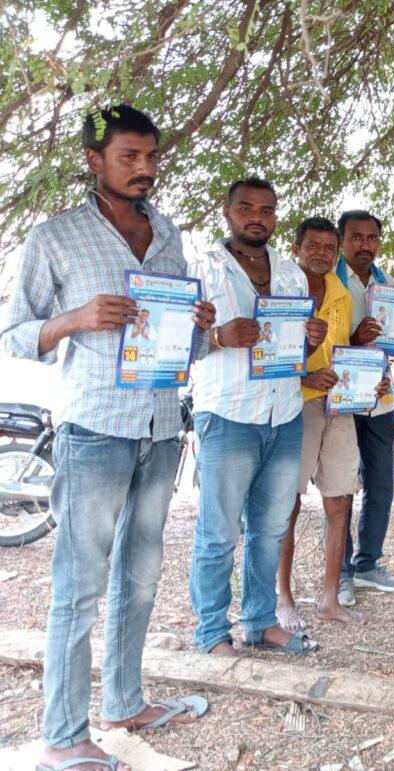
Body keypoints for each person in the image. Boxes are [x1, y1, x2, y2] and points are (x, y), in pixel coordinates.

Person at [0, 105, 216, 771]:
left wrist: (198, 324)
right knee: (79, 586)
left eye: (151, 156)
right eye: (129, 156)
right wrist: (76, 318)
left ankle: (124, 702)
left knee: (141, 577)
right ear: (94, 160)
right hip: (95, 429)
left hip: (160, 426)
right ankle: (63, 738)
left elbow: (183, 345)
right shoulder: (55, 237)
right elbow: (14, 335)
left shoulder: (167, 233)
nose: (145, 168)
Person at [188, 178, 328, 658]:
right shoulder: (202, 268)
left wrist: (309, 338)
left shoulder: (290, 274)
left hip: (283, 415)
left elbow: (291, 351)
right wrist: (219, 338)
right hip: (227, 415)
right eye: (246, 207)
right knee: (219, 532)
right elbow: (169, 343)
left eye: (266, 210)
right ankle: (212, 632)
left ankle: (260, 622)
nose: (256, 217)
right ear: (227, 211)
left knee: (269, 530)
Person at [275, 217, 389, 633]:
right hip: (297, 405)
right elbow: (269, 353)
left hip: (339, 408)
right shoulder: (283, 291)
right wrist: (305, 376)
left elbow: (342, 352)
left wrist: (367, 373)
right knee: (288, 505)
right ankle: (283, 597)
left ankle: (329, 598)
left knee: (340, 501)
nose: (321, 253)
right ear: (296, 249)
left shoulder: (340, 292)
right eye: (313, 246)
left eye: (328, 247)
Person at [333, 210, 394, 601]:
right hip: (343, 400)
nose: (365, 245)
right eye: (356, 237)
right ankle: (341, 572)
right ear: (341, 240)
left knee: (381, 484)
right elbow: (318, 344)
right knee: (342, 486)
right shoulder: (328, 282)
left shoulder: (388, 286)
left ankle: (368, 563)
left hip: (381, 400)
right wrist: (354, 338)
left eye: (372, 238)